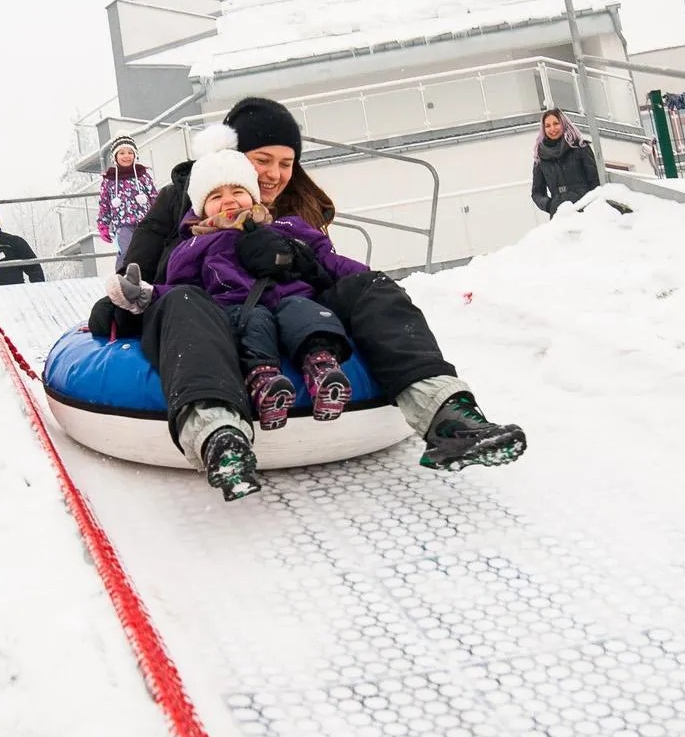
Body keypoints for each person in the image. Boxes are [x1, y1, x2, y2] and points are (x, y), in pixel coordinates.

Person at [92, 96, 526, 498]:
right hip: (217, 318)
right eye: (262, 160)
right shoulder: (182, 204)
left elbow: (327, 268)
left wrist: (295, 259)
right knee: (184, 301)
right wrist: (124, 301)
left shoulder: (295, 210)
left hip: (293, 314)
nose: (275, 174)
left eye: (286, 162)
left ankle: (446, 415)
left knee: (368, 287)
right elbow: (147, 273)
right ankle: (217, 434)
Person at [95, 134, 158, 269]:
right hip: (123, 225)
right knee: (127, 251)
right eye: (122, 153)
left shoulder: (143, 176)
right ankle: (122, 278)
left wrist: (160, 217)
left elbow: (154, 198)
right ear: (115, 156)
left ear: (135, 155)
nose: (126, 156)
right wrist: (103, 225)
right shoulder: (109, 180)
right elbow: (104, 205)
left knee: (147, 251)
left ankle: (148, 277)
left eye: (130, 152)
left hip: (145, 223)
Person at [530, 108, 601, 218]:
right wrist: (550, 205)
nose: (552, 129)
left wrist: (589, 202)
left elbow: (595, 181)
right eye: (547, 126)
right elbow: (537, 192)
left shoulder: (580, 147)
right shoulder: (540, 156)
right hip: (559, 214)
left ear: (563, 124)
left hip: (585, 210)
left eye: (556, 123)